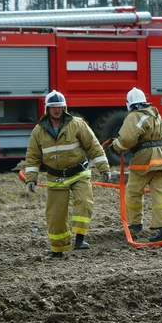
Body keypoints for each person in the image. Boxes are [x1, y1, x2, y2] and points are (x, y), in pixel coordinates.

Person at [23, 90, 111, 258]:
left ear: (65, 108)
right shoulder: (38, 131)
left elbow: (94, 146)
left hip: (79, 173)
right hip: (56, 178)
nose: (56, 110)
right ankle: (58, 250)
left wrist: (104, 167)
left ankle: (80, 239)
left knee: (84, 202)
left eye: (60, 107)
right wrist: (31, 179)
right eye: (53, 107)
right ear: (47, 109)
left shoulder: (77, 124)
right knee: (55, 215)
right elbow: (32, 156)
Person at [111, 87, 162, 242]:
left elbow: (127, 139)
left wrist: (115, 146)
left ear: (129, 103)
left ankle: (134, 224)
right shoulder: (155, 113)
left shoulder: (134, 116)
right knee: (161, 193)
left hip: (145, 159)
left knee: (134, 191)